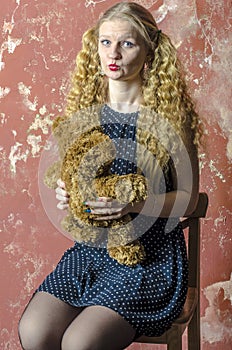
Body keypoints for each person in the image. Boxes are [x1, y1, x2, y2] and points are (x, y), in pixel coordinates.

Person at [18, 2, 202, 350]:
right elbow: (76, 176)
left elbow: (189, 200)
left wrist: (135, 204)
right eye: (105, 42)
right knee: (34, 331)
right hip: (92, 252)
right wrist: (68, 194)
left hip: (149, 258)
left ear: (149, 50)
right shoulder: (85, 112)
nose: (113, 53)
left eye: (127, 44)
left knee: (80, 343)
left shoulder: (170, 117)